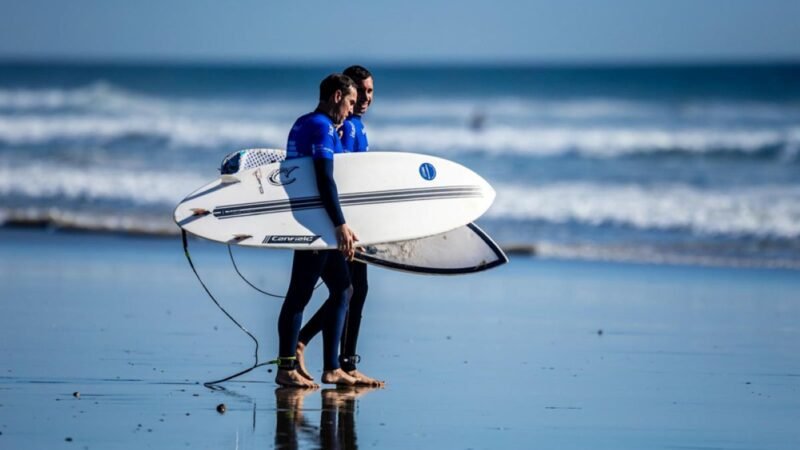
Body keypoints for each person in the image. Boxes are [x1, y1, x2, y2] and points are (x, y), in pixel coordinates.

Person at [294, 66, 384, 387]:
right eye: (360, 92)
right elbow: (331, 179)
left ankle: (343, 362)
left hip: (351, 223)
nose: (365, 99)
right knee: (347, 290)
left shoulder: (354, 126)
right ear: (345, 94)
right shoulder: (342, 127)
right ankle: (317, 351)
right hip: (340, 224)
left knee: (353, 291)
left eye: (371, 92)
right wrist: (342, 224)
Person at [275, 73, 360, 388]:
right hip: (316, 223)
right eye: (350, 102)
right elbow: (325, 179)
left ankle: (331, 367)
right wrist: (340, 224)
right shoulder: (320, 126)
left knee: (343, 289)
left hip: (315, 219)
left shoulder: (307, 123)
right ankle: (286, 368)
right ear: (337, 96)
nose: (351, 110)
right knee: (299, 295)